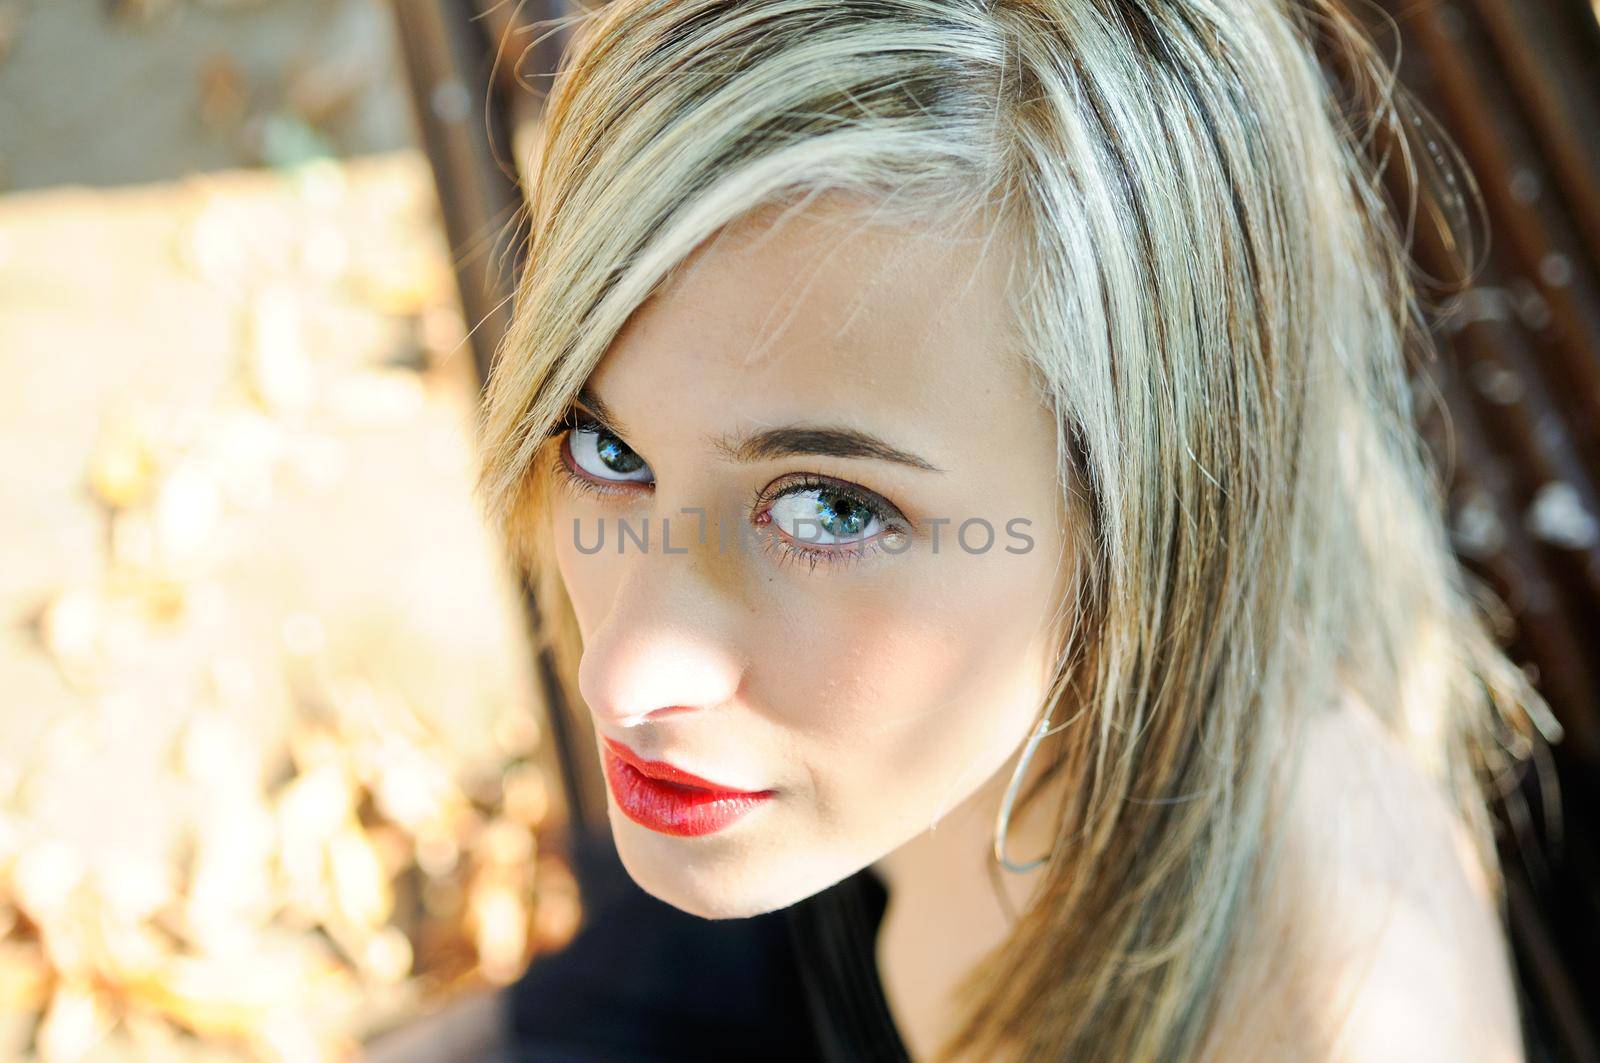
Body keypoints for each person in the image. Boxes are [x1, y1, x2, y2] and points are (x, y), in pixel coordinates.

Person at [473, 1, 1560, 1059]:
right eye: (605, 449)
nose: (620, 674)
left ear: (1152, 504)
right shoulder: (845, 751)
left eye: (831, 507)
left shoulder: (1316, 1020)